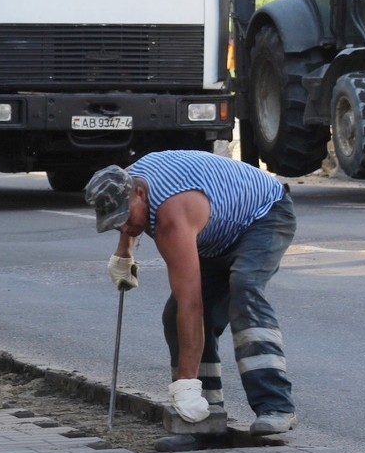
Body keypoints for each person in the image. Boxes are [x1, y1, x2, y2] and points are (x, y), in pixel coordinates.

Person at [83, 150, 297, 437]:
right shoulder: (124, 180)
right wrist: (124, 252)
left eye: (123, 218)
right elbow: (128, 212)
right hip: (214, 233)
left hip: (263, 215)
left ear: (140, 195)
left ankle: (276, 406)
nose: (123, 226)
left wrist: (184, 385)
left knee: (244, 288)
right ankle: (205, 414)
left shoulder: (172, 215)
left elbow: (192, 304)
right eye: (115, 223)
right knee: (174, 318)